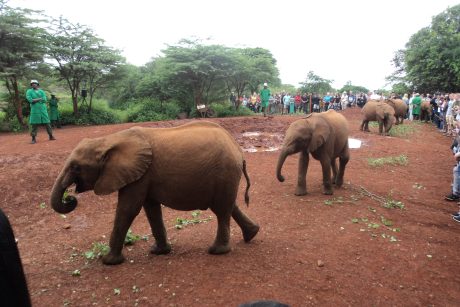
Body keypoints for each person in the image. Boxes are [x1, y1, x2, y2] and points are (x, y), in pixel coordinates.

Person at [25, 80, 55, 144]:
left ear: (37, 84)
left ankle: (51, 136)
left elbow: (44, 99)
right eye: (32, 83)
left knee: (47, 123)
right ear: (31, 85)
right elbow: (30, 100)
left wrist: (35, 100)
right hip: (35, 110)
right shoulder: (29, 91)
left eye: (35, 83)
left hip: (43, 110)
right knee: (34, 124)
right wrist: (39, 99)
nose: (34, 84)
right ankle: (33, 139)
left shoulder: (41, 91)